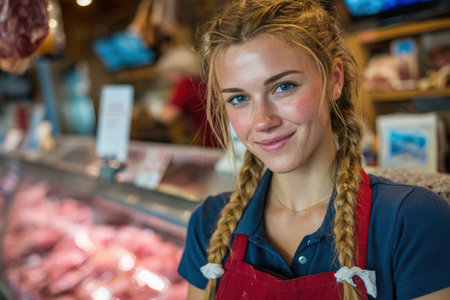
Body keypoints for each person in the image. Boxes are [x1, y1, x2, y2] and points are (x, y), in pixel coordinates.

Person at [178, 0, 450, 299]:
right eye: (239, 98)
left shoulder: (411, 220)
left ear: (334, 78)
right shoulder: (209, 222)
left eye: (283, 87)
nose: (263, 121)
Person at [153, 46, 216, 147]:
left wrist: (153, 109)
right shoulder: (198, 81)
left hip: (210, 139)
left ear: (178, 70)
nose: (169, 77)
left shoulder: (185, 84)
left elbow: (167, 117)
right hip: (217, 134)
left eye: (169, 72)